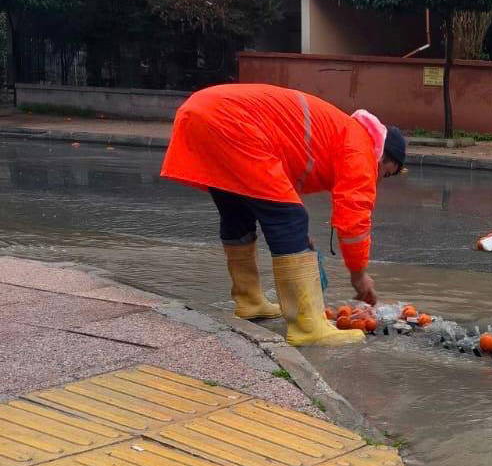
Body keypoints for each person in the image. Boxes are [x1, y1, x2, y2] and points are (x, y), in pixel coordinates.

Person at [160, 82, 406, 347]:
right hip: (232, 120)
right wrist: (358, 274)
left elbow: (277, 181)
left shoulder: (341, 133)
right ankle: (307, 327)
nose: (380, 179)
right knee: (290, 219)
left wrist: (299, 236)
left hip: (202, 110)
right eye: (387, 173)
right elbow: (354, 218)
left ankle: (250, 301)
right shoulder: (361, 149)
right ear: (383, 156)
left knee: (238, 211)